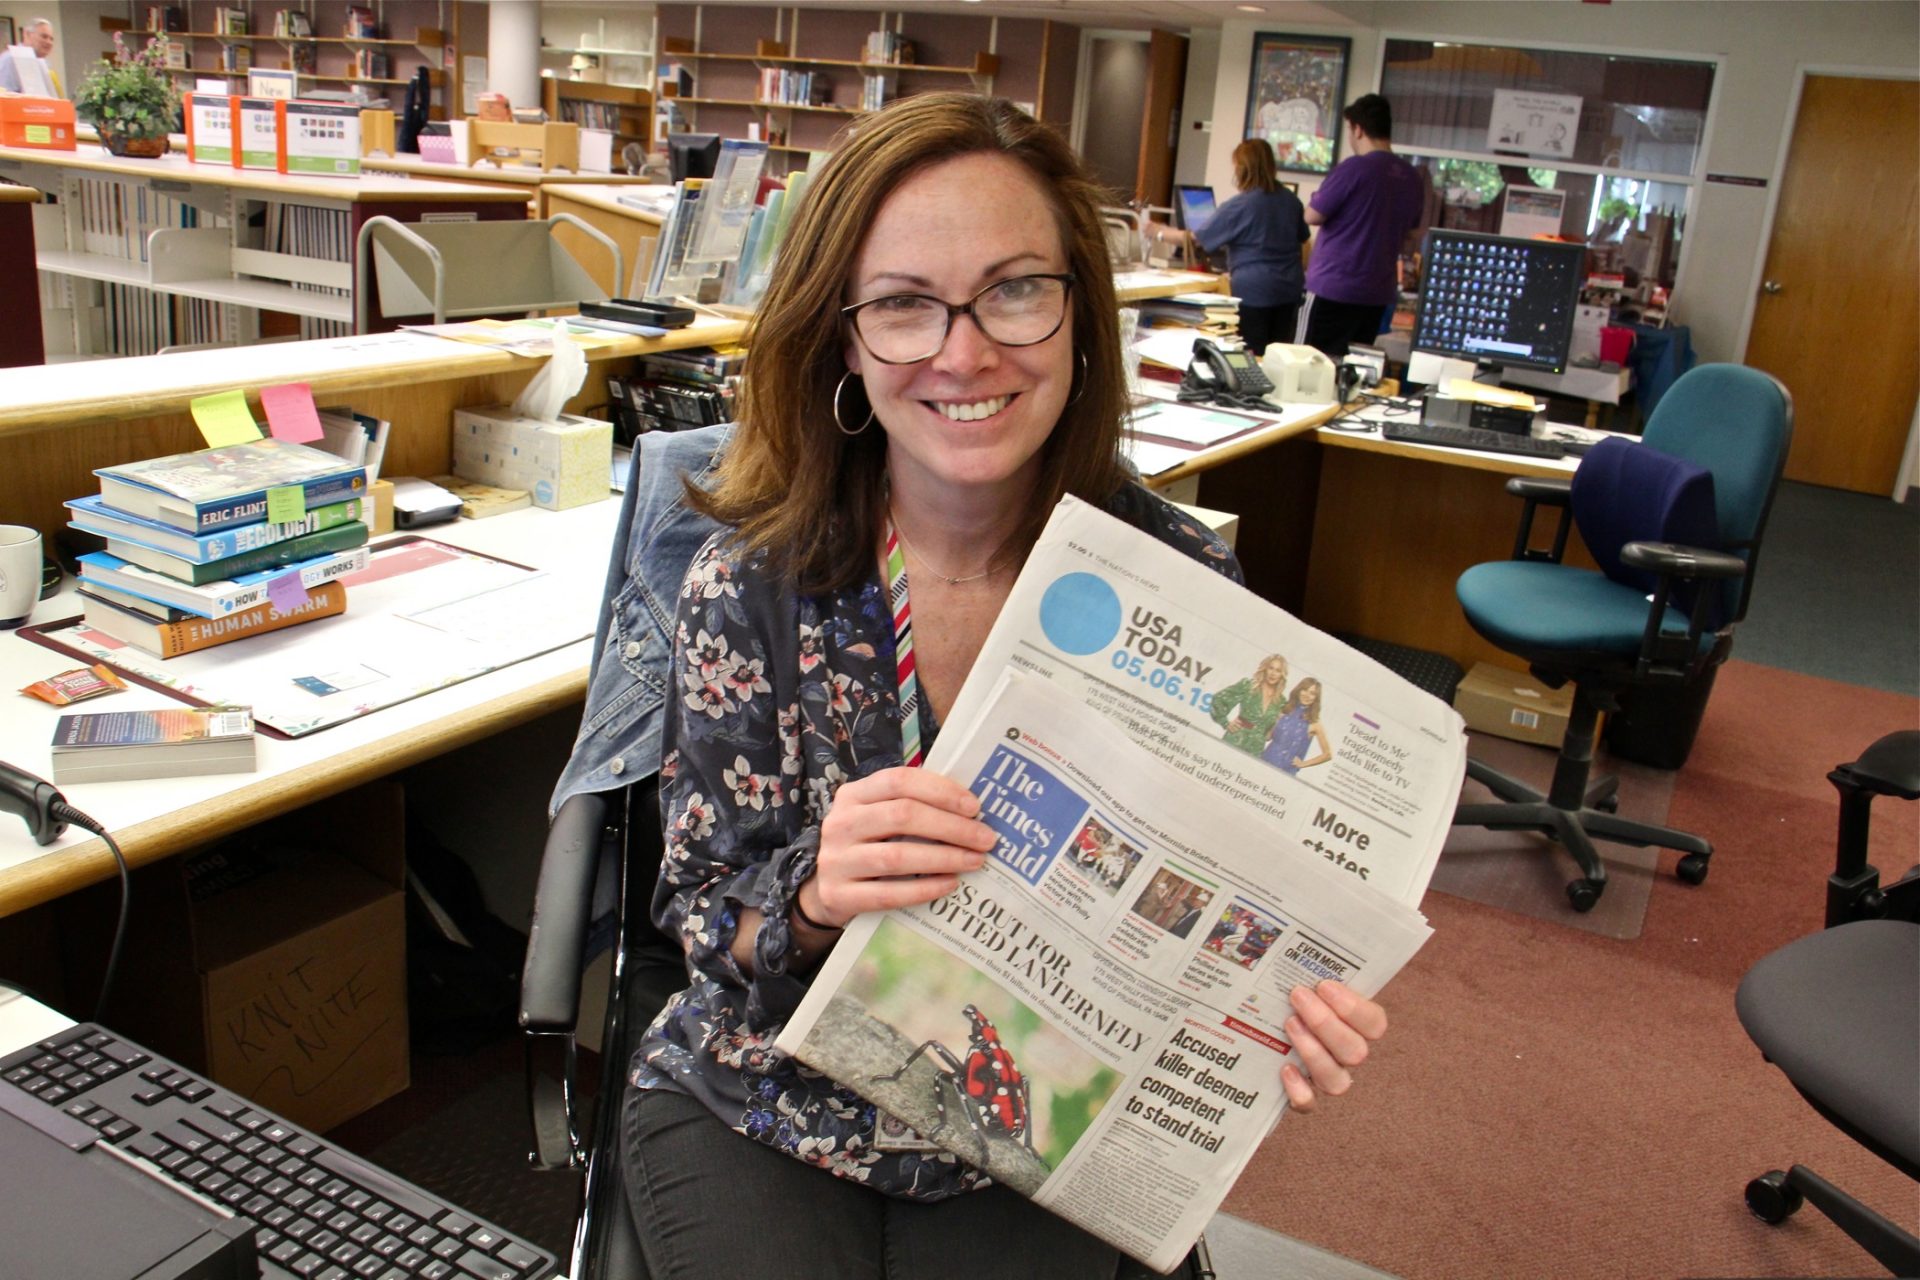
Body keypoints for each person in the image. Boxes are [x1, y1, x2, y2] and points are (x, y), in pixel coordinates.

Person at [620, 93, 1391, 1279]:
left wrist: (1282, 1010)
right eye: (903, 304)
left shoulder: (1183, 584)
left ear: (1082, 310)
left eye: (1014, 289)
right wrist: (819, 889)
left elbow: (1225, 904)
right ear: (846, 337)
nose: (964, 350)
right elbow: (698, 921)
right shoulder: (755, 579)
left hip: (1041, 1118)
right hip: (767, 1094)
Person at [1300, 93, 1424, 359]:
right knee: (1352, 372)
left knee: (1304, 367)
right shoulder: (1411, 177)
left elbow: (1311, 216)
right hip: (1376, 293)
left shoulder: (1354, 168)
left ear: (1358, 128)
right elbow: (1411, 231)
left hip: (1333, 287)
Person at [1189, 139, 1309, 354]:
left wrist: (1157, 231)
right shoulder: (1291, 201)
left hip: (1253, 293)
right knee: (1278, 355)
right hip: (1289, 290)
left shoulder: (1241, 205)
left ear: (1241, 169)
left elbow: (1199, 239)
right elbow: (1304, 241)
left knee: (1249, 356)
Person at [1209, 652, 1290, 755]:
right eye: (1271, 668)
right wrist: (1225, 723)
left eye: (1278, 670)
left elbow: (1268, 737)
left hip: (1255, 749)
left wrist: (1278, 722)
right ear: (1265, 669)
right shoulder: (1248, 686)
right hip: (1235, 739)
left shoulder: (1281, 702)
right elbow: (1218, 699)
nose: (1273, 673)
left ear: (1282, 675)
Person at [1262, 677, 1333, 775]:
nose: (1307, 695)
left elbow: (1327, 754)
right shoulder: (1284, 710)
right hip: (1266, 759)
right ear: (1299, 690)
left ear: (1316, 698)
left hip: (1286, 771)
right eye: (1305, 690)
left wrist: (1303, 764)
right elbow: (1268, 737)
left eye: (1312, 693)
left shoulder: (1314, 724)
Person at [0, 18, 60, 97]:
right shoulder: (10, 59)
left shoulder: (45, 64)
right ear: (27, 34)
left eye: (51, 39)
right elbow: (4, 98)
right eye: (44, 37)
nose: (49, 42)